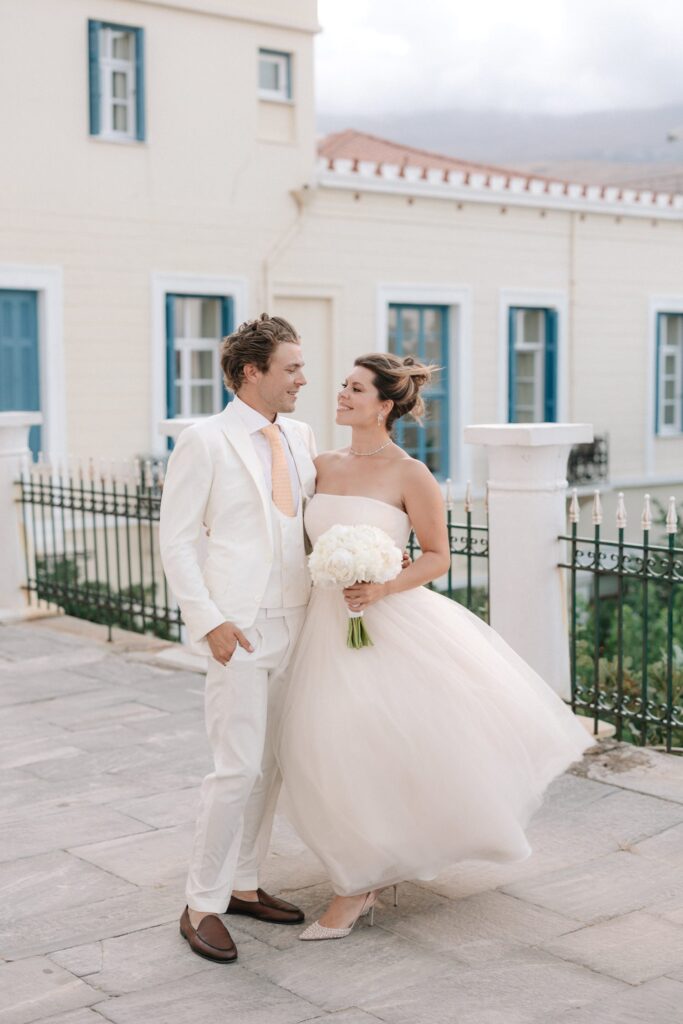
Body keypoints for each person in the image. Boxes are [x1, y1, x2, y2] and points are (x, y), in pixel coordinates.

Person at [275, 352, 595, 941]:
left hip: (388, 622)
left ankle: (357, 885)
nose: (341, 394)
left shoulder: (411, 474)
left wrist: (381, 584)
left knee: (375, 745)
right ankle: (367, 864)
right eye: (343, 385)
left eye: (355, 389)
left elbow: (438, 556)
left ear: (384, 405)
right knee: (325, 746)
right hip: (325, 626)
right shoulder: (320, 465)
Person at [159, 314, 317, 963]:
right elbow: (175, 541)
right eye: (292, 368)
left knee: (271, 764)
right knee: (236, 768)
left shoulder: (301, 435)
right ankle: (201, 903)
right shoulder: (205, 441)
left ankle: (244, 882)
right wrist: (209, 621)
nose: (302, 379)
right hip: (240, 628)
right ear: (252, 371)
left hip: (300, 621)